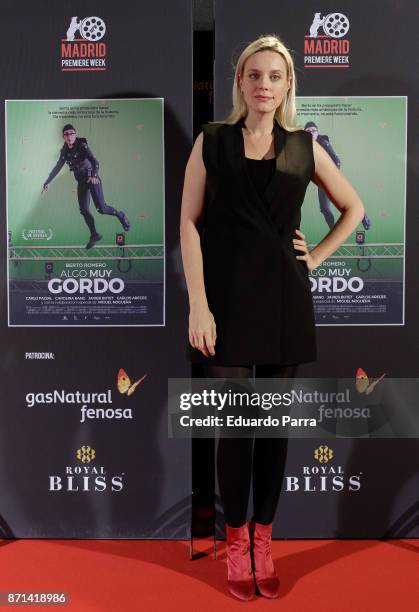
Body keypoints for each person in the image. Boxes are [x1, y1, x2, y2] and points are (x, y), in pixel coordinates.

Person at [180, 35, 365, 601]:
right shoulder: (211, 142)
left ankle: (265, 538)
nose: (264, 84)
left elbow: (354, 208)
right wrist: (199, 305)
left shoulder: (304, 149)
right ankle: (235, 539)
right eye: (254, 74)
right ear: (239, 82)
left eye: (275, 76)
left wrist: (317, 256)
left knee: (274, 431)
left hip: (285, 301)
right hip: (225, 304)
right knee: (234, 430)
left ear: (288, 86)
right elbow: (188, 224)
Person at [42, 124, 130, 249]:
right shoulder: (65, 151)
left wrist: (94, 175)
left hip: (92, 179)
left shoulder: (82, 146)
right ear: (63, 137)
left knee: (101, 209)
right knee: (83, 210)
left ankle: (120, 215)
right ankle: (94, 234)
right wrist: (47, 182)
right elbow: (57, 167)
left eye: (72, 133)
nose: (69, 136)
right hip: (81, 182)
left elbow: (95, 162)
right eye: (66, 134)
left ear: (75, 134)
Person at [304, 121, 371, 230]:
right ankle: (332, 228)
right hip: (320, 180)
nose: (311, 133)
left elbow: (337, 161)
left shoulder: (324, 143)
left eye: (313, 130)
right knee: (324, 208)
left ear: (318, 131)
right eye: (308, 131)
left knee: (347, 201)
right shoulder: (304, 145)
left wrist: (334, 176)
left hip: (332, 177)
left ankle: (364, 218)